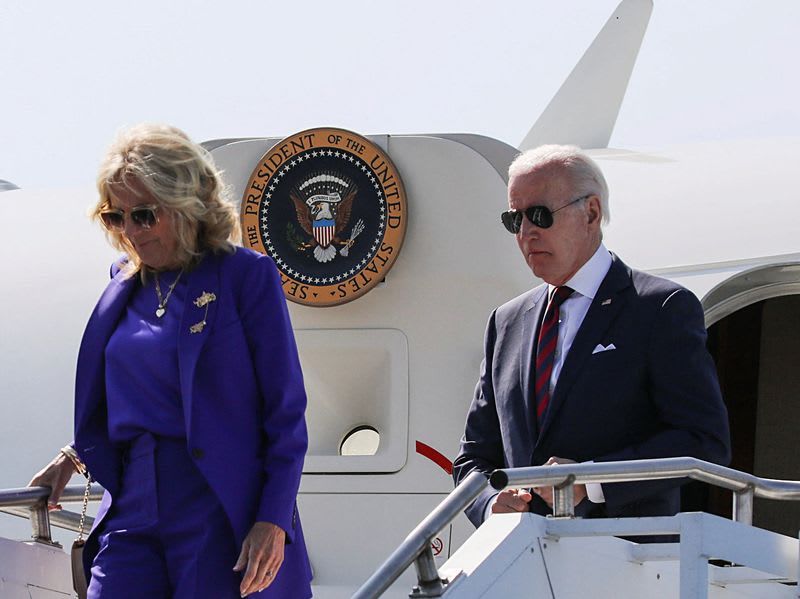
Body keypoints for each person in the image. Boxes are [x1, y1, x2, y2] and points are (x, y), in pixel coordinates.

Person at [28, 123, 312, 597]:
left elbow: (285, 411)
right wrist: (72, 457)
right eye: (115, 217)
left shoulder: (245, 276)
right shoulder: (121, 282)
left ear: (186, 205)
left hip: (215, 505)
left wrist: (273, 518)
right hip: (131, 502)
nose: (130, 232)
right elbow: (139, 394)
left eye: (143, 215)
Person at [452, 144, 731, 528]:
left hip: (626, 552)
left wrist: (593, 480)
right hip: (523, 551)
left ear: (591, 213)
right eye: (515, 220)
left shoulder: (659, 307)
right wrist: (490, 503)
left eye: (540, 215)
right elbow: (473, 457)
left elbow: (703, 440)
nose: (527, 232)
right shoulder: (506, 321)